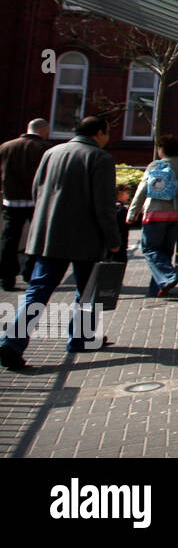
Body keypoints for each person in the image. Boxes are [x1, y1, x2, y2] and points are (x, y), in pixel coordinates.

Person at [0, 116, 120, 370]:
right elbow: (104, 205)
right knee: (87, 292)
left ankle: (12, 341)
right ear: (99, 133)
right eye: (108, 133)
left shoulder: (51, 153)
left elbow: (37, 190)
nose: (108, 138)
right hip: (86, 237)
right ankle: (81, 337)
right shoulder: (100, 158)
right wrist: (113, 239)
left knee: (38, 290)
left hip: (48, 235)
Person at [127, 134, 178, 297]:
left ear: (161, 149)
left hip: (156, 213)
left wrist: (133, 212)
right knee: (165, 252)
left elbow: (142, 189)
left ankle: (169, 277)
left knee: (150, 249)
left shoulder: (155, 165)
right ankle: (158, 288)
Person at [0, 118, 49, 290]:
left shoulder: (6, 147)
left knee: (8, 239)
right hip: (37, 201)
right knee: (36, 239)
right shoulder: (45, 149)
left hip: (11, 200)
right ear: (43, 130)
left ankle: (6, 278)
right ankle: (30, 273)